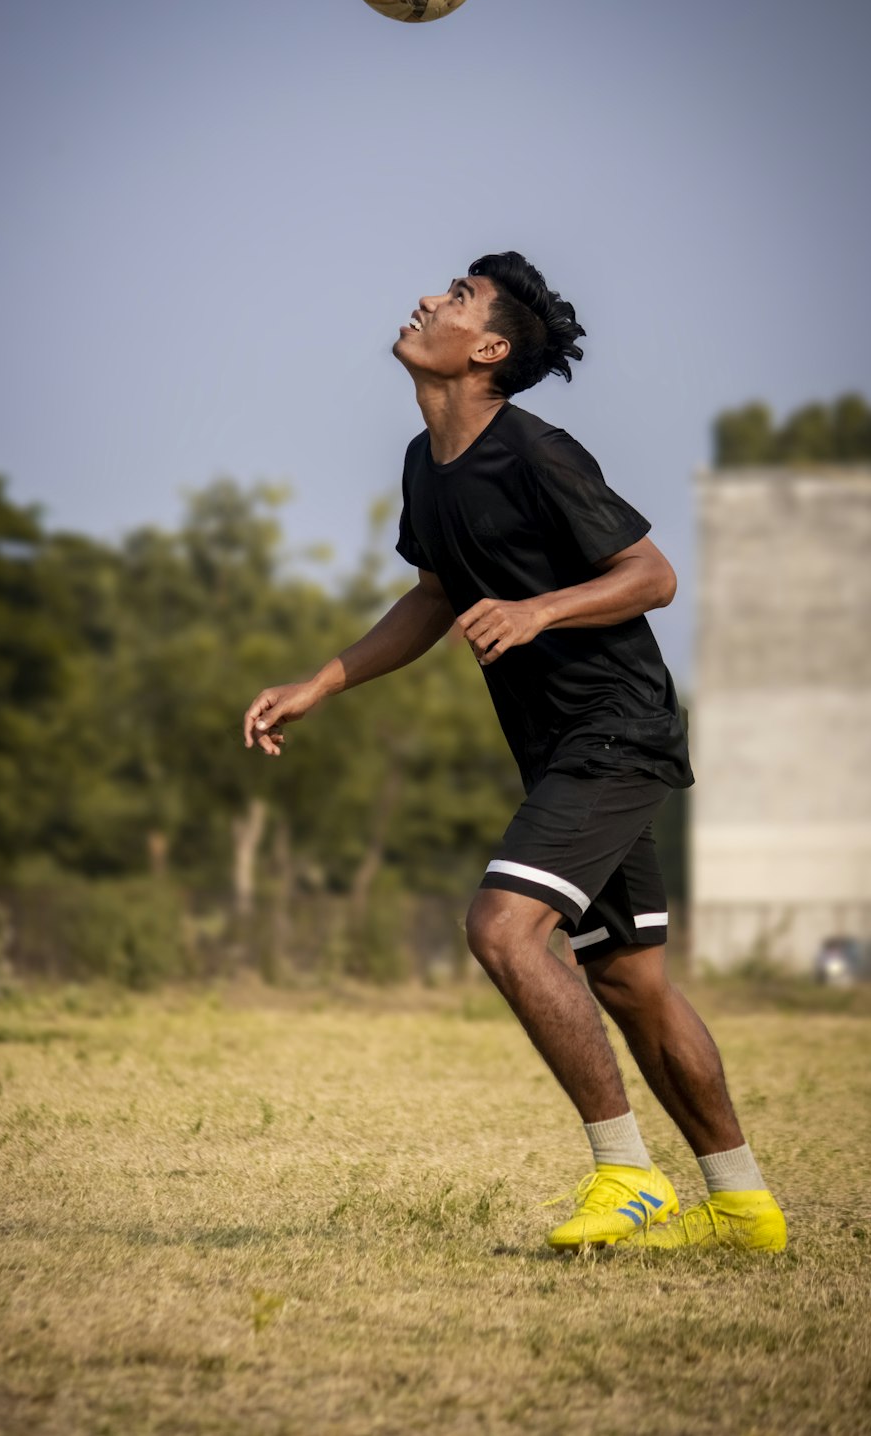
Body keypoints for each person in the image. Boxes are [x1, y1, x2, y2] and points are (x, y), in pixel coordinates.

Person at [242, 251, 787, 1254]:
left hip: (614, 733)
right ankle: (744, 1207)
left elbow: (651, 575)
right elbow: (434, 598)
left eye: (452, 300)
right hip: (563, 750)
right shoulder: (425, 465)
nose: (424, 300)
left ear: (487, 349)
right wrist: (321, 681)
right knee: (629, 982)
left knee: (502, 928)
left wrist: (540, 610)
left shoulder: (536, 453)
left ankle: (627, 1178)